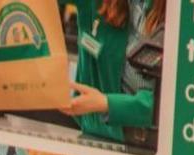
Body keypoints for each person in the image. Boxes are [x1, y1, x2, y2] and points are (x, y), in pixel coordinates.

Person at [63, 0, 167, 144]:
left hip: (148, 150)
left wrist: (105, 103)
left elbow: (168, 106)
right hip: (94, 137)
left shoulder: (180, 15)